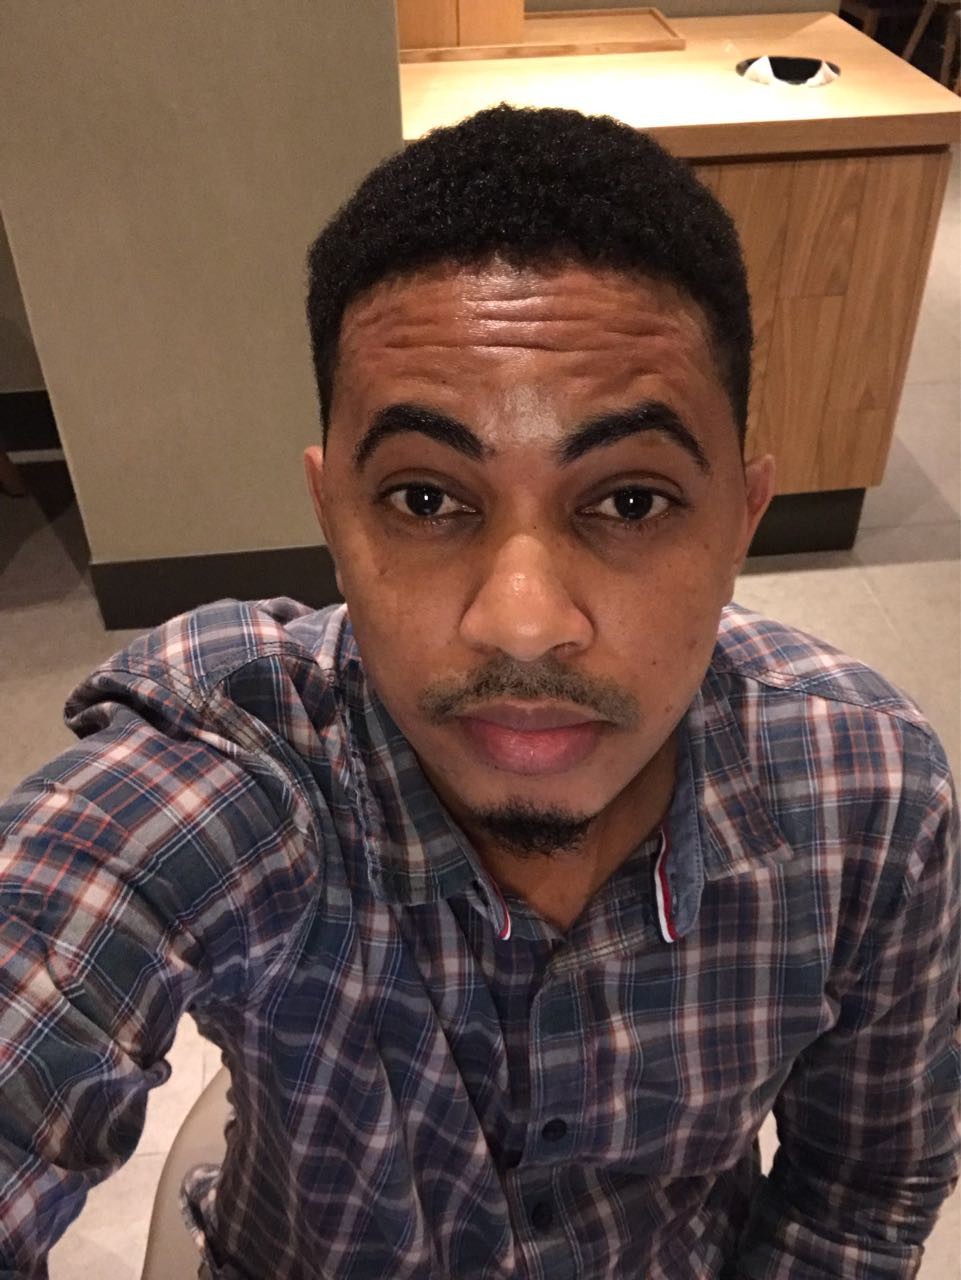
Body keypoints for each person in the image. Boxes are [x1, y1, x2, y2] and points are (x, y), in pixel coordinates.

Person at [0, 104, 957, 1280]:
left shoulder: (867, 798)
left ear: (740, 522)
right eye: (425, 498)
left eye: (630, 500)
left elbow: (857, 1195)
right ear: (331, 515)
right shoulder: (245, 767)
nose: (522, 619)